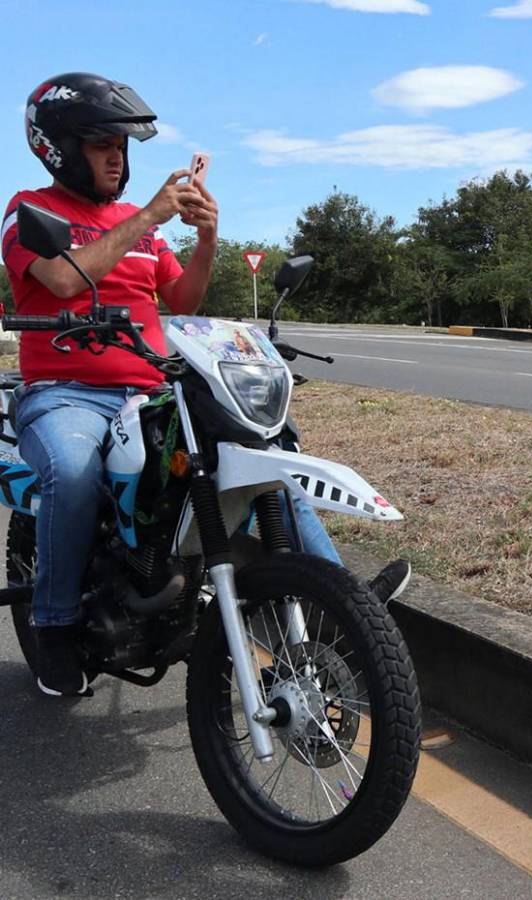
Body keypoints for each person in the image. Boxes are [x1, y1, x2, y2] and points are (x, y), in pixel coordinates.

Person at [0, 73, 349, 697]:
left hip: (155, 389)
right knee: (74, 472)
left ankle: (346, 602)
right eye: (101, 144)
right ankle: (53, 626)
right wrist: (149, 217)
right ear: (59, 147)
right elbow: (61, 280)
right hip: (65, 391)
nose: (116, 157)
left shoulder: (141, 226)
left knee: (262, 458)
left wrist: (207, 237)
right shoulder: (32, 210)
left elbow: (183, 299)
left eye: (121, 145)